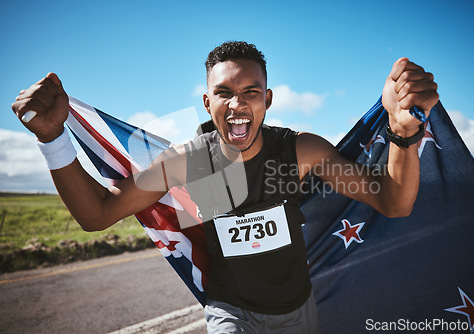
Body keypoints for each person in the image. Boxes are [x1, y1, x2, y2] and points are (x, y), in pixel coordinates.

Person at [11, 41, 438, 333]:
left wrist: (402, 133)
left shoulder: (300, 151)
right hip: (230, 311)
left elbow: (392, 202)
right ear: (207, 102)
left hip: (298, 312)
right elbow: (98, 214)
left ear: (267, 100)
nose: (238, 104)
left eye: (251, 91)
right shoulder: (190, 162)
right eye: (224, 92)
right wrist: (53, 140)